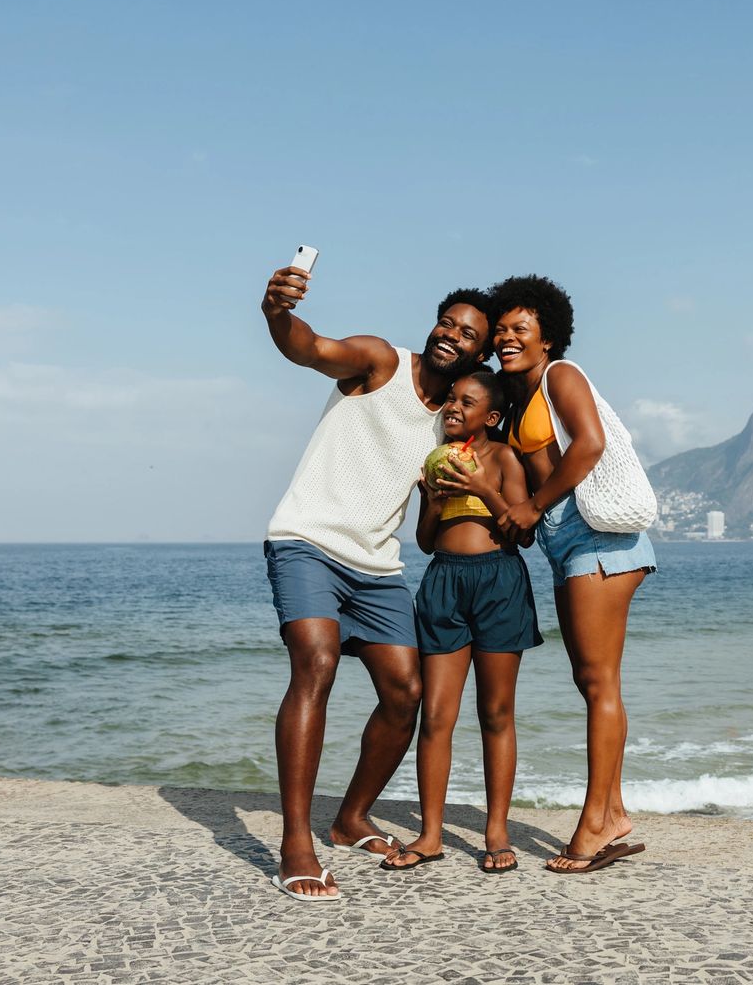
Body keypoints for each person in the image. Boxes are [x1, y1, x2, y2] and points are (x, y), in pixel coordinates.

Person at [259, 263, 493, 900]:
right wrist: (279, 310)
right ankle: (296, 842)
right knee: (316, 662)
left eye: (468, 334)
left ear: (479, 351)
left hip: (377, 567)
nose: (452, 335)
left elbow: (431, 528)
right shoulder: (380, 361)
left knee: (404, 690)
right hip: (307, 541)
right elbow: (309, 348)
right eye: (448, 322)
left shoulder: (449, 424)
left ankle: (350, 817)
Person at [489, 274, 656, 874]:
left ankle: (595, 822)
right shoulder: (516, 395)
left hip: (599, 537)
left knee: (597, 682)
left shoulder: (562, 376)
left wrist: (533, 506)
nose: (508, 337)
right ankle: (612, 810)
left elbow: (588, 445)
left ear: (548, 339)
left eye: (520, 330)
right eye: (502, 329)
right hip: (567, 540)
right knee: (597, 682)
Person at [379, 370, 543, 875]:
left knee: (495, 713)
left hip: (498, 581)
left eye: (466, 402)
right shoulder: (437, 461)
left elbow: (522, 533)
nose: (452, 407)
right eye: (450, 399)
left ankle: (496, 830)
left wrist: (481, 488)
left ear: (490, 417)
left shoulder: (503, 459)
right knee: (436, 716)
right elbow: (427, 541)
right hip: (444, 581)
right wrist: (433, 500)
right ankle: (430, 834)